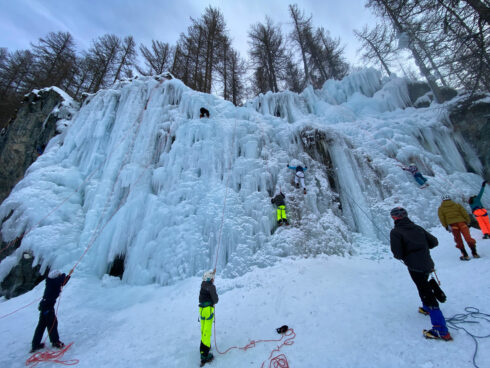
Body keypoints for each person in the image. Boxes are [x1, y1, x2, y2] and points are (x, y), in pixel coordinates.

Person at [389, 207, 452, 341]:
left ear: (394, 218)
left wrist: (410, 253)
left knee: (425, 291)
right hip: (428, 263)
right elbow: (434, 242)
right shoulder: (417, 228)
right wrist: (420, 248)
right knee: (424, 286)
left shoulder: (396, 232)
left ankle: (441, 330)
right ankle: (426, 307)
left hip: (414, 266)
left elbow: (397, 254)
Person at [31, 270, 71, 353]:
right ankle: (55, 342)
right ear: (56, 277)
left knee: (42, 325)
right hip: (47, 307)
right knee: (52, 323)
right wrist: (64, 274)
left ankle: (35, 344)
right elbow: (61, 280)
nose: (60, 275)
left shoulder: (51, 281)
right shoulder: (54, 282)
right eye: (58, 274)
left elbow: (62, 282)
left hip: (45, 306)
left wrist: (69, 276)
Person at [438, 194, 479, 260]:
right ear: (450, 199)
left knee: (458, 240)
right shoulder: (457, 205)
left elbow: (442, 218)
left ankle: (465, 255)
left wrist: (445, 226)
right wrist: (468, 221)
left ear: (443, 200)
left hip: (453, 225)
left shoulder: (441, 209)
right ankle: (475, 253)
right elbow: (464, 213)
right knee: (468, 237)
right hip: (462, 223)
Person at [199, 269, 218, 366]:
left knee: (203, 330)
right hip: (208, 310)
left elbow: (208, 279)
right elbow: (216, 300)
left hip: (201, 310)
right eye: (212, 279)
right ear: (210, 279)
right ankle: (204, 355)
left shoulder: (203, 284)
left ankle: (205, 347)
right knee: (207, 332)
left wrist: (212, 273)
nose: (213, 280)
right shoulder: (211, 286)